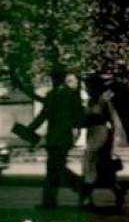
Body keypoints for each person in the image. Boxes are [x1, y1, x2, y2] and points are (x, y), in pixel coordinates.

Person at [29, 71, 86, 208]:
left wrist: (30, 129)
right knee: (55, 168)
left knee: (55, 168)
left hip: (57, 137)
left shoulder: (55, 95)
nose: (53, 81)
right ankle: (51, 200)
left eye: (54, 78)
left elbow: (43, 115)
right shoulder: (71, 94)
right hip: (62, 138)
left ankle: (79, 186)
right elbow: (78, 117)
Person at [80, 74, 126, 209]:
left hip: (101, 134)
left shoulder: (104, 100)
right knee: (100, 167)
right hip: (92, 133)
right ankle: (117, 192)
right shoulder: (91, 101)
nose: (87, 89)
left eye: (88, 86)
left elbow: (113, 119)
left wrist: (115, 141)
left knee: (90, 162)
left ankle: (86, 197)